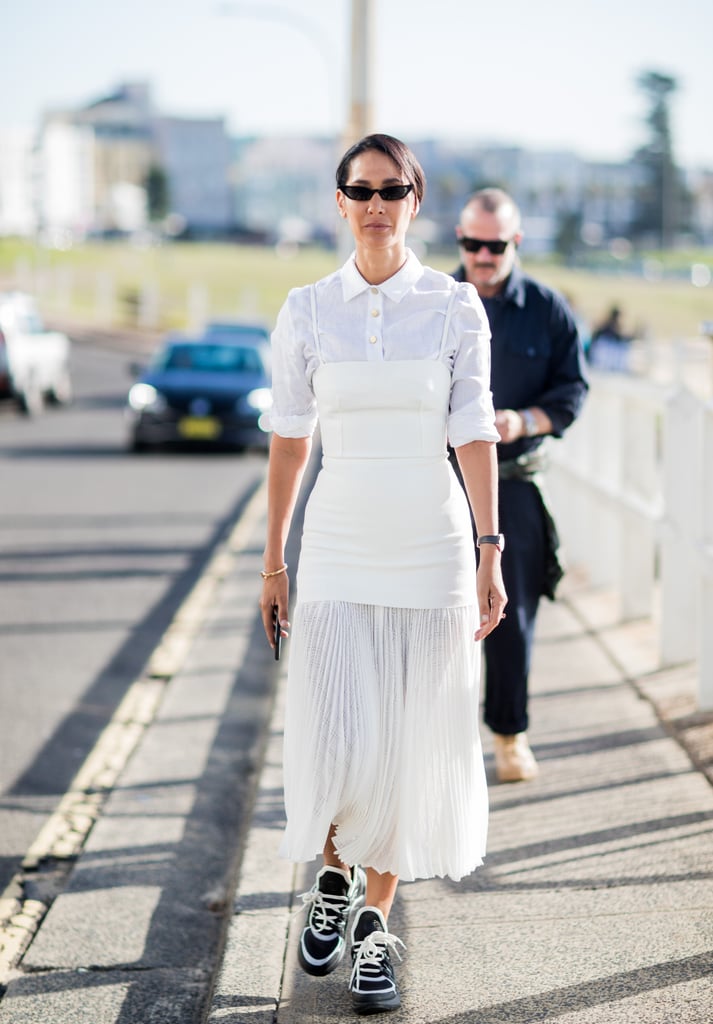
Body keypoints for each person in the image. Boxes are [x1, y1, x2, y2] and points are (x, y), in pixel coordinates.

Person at [259, 135, 506, 1016]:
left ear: (414, 200)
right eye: (359, 189)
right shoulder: (307, 309)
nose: (374, 202)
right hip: (334, 546)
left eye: (391, 189)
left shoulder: (450, 307)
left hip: (431, 548)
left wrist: (489, 549)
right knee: (338, 731)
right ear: (337, 200)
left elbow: (472, 431)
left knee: (408, 741)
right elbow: (291, 443)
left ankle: (372, 926)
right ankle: (332, 876)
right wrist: (273, 559)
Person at [451, 188, 588, 784]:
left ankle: (510, 736)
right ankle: (438, 745)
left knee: (511, 617)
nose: (482, 255)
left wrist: (524, 421)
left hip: (516, 485)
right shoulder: (434, 300)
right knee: (432, 614)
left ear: (516, 242)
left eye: (494, 245)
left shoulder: (549, 310)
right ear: (459, 240)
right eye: (471, 244)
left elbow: (573, 393)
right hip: (444, 484)